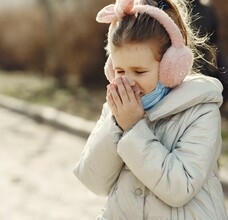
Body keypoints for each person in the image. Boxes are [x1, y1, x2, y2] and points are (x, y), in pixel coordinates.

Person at [73, 0, 228, 219]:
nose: (128, 82)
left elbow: (179, 188)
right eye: (119, 70)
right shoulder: (116, 110)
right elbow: (93, 180)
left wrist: (134, 127)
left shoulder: (201, 111)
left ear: (170, 67)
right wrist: (117, 124)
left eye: (139, 71)